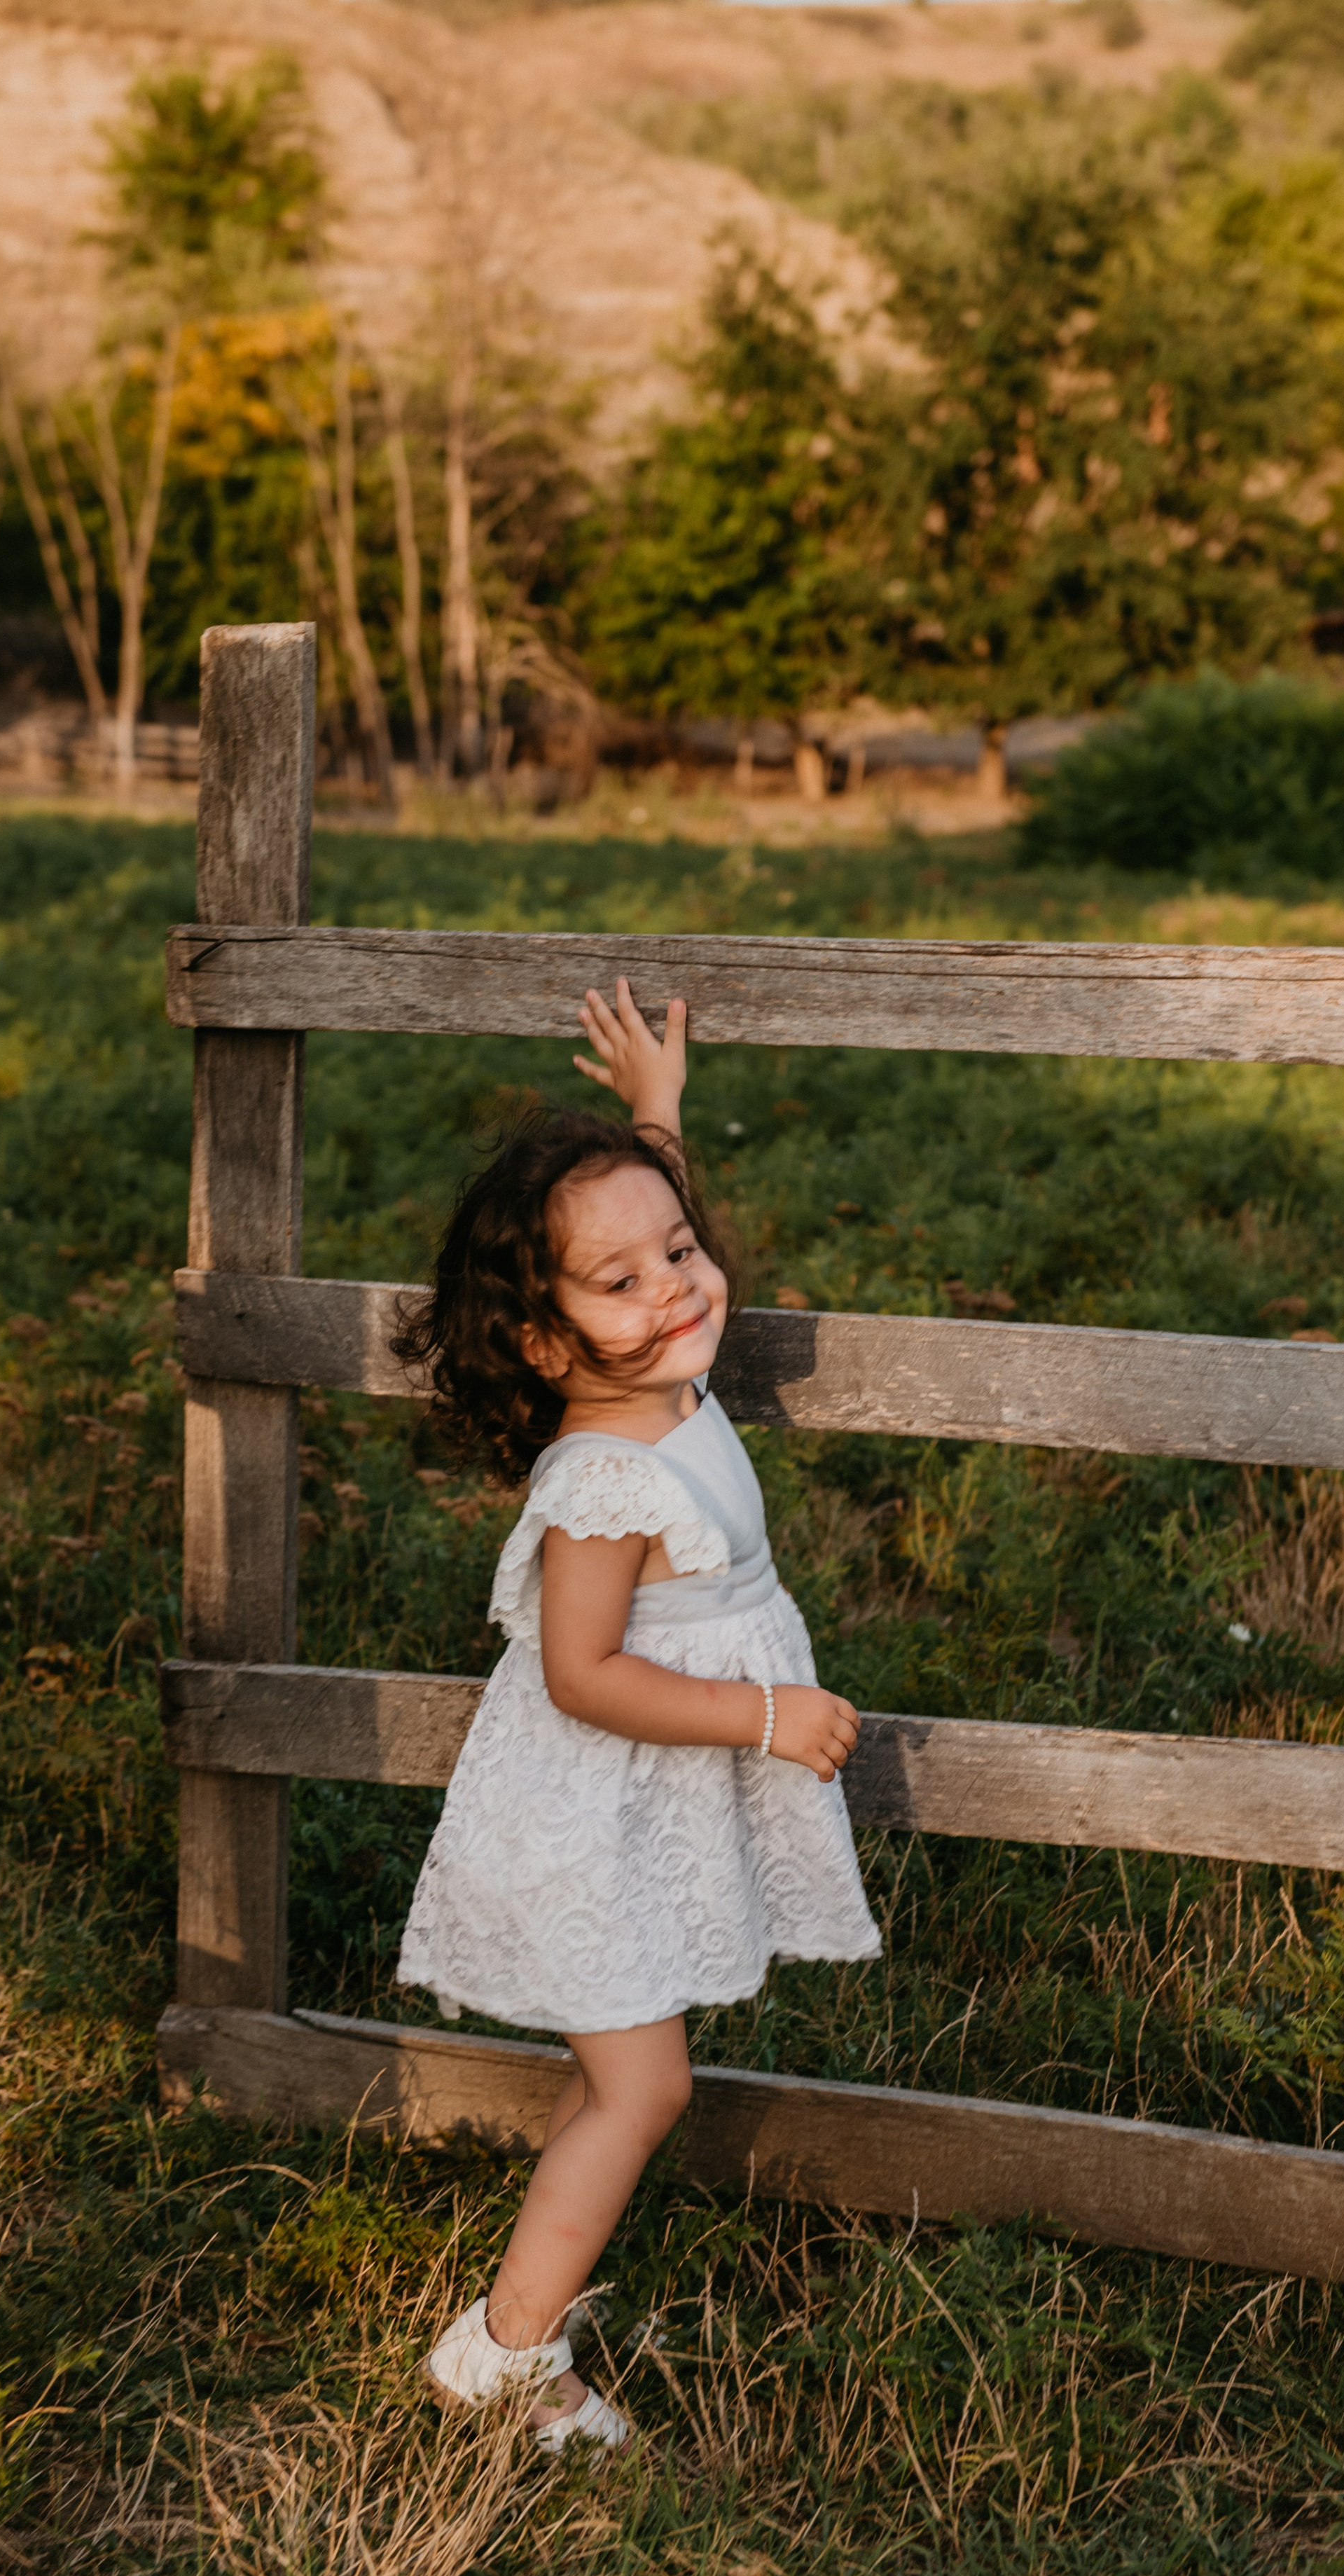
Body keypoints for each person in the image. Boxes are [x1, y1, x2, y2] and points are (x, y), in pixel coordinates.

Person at [394, 977, 882, 2454]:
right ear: (545, 1346)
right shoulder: (601, 1478)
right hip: (591, 1813)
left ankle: (538, 2293)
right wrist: (761, 1717)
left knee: (627, 2073)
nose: (673, 1288)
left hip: (635, 1808)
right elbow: (578, 1676)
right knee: (644, 2083)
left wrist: (651, 1106)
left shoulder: (652, 1369)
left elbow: (640, 1212)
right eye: (621, 1283)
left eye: (679, 1254)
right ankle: (502, 2352)